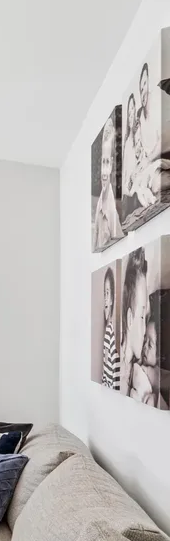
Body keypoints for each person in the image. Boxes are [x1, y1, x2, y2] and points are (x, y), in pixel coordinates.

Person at [121, 247, 156, 405]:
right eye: (142, 317)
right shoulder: (118, 370)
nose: (145, 329)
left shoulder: (138, 373)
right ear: (130, 319)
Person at [93, 115, 123, 251]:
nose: (104, 172)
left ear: (111, 164)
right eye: (102, 163)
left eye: (107, 163)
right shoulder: (99, 203)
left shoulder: (113, 209)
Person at [101, 267, 120, 390]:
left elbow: (113, 378)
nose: (105, 299)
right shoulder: (108, 331)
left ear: (112, 299)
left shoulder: (110, 331)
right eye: (104, 294)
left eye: (108, 293)